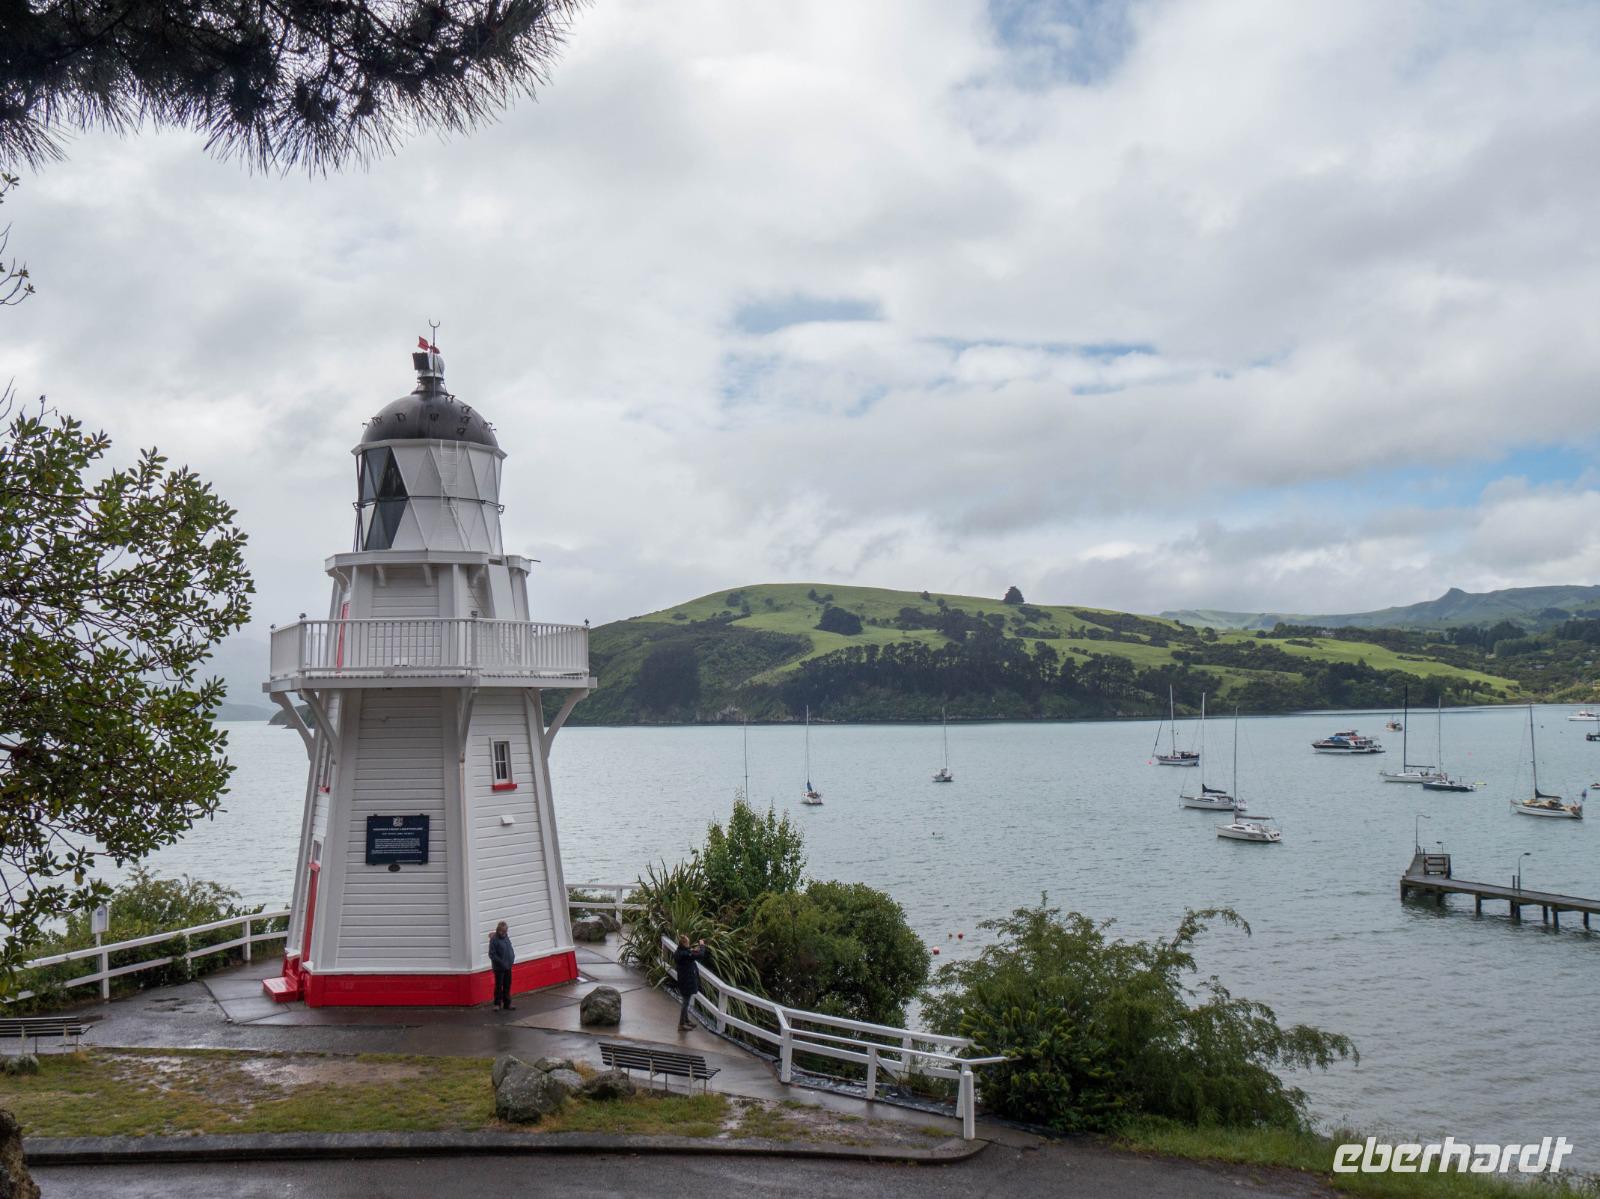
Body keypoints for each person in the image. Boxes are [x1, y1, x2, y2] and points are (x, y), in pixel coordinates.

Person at [674, 934, 707, 1031]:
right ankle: (681, 1024)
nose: (689, 944)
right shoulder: (684, 955)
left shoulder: (679, 952)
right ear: (684, 943)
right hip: (686, 981)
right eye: (688, 942)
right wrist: (702, 946)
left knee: (686, 1001)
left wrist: (692, 950)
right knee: (685, 1002)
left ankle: (686, 1020)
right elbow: (700, 955)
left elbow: (687, 952)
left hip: (683, 980)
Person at [489, 921, 515, 1011]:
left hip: (508, 965)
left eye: (506, 931)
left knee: (507, 985)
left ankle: (507, 1003)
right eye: (503, 931)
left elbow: (509, 948)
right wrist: (501, 962)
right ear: (498, 930)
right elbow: (492, 954)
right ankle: (497, 1004)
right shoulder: (494, 940)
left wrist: (512, 958)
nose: (504, 933)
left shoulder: (506, 937)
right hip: (499, 967)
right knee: (499, 986)